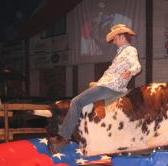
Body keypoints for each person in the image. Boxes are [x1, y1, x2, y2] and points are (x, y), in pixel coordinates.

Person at [48, 24, 142, 153]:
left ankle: (63, 137)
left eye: (115, 39)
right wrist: (98, 83)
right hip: (109, 86)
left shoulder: (130, 50)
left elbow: (137, 66)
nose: (114, 42)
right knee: (87, 102)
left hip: (110, 87)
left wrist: (130, 71)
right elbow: (113, 74)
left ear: (121, 36)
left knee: (76, 102)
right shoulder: (122, 52)